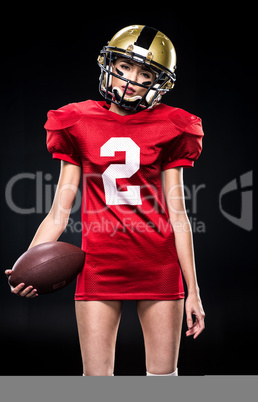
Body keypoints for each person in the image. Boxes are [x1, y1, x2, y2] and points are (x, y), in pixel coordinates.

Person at [5, 25, 205, 376]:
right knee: (97, 386)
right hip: (98, 265)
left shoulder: (174, 125)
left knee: (164, 385)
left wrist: (194, 291)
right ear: (108, 64)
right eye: (125, 67)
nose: (130, 79)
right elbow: (58, 213)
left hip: (158, 266)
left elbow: (178, 217)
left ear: (159, 84)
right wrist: (26, 264)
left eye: (145, 74)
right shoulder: (77, 120)